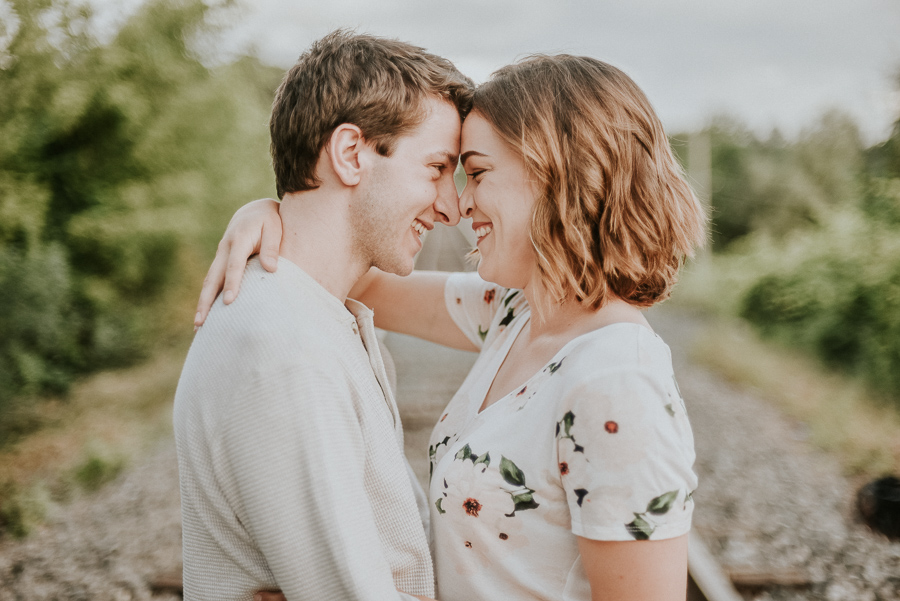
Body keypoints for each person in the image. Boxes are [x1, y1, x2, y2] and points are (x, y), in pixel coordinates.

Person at [198, 54, 706, 601]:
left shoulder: (614, 381)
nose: (460, 205)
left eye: (478, 173)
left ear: (560, 176)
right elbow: (347, 270)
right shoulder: (516, 313)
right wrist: (271, 211)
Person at [174, 30, 473, 601]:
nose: (450, 205)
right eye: (437, 167)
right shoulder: (287, 350)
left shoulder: (312, 314)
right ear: (350, 153)